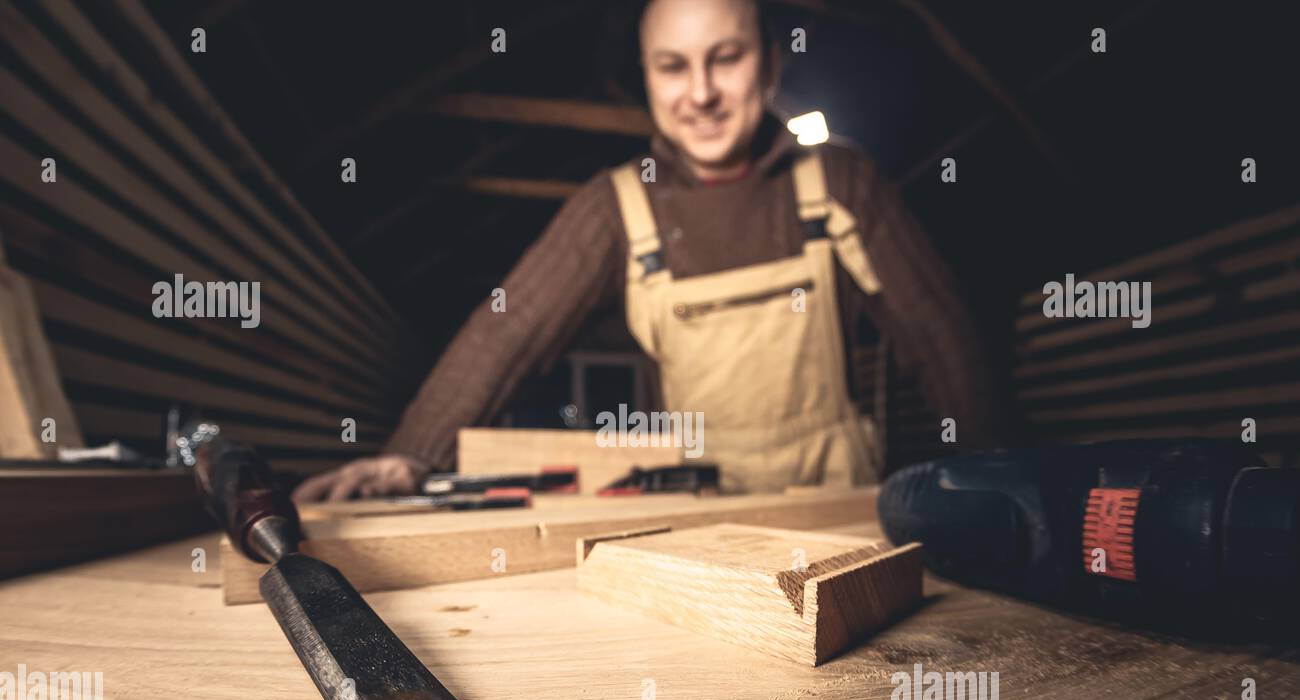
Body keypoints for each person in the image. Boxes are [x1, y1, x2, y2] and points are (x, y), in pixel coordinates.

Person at [294, 0, 1006, 502]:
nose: (700, 92)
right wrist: (412, 454)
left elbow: (941, 336)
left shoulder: (838, 183)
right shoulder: (618, 206)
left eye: (725, 59)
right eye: (673, 67)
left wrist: (1000, 477)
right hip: (697, 521)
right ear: (647, 74)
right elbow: (508, 330)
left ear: (769, 67)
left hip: (840, 518)